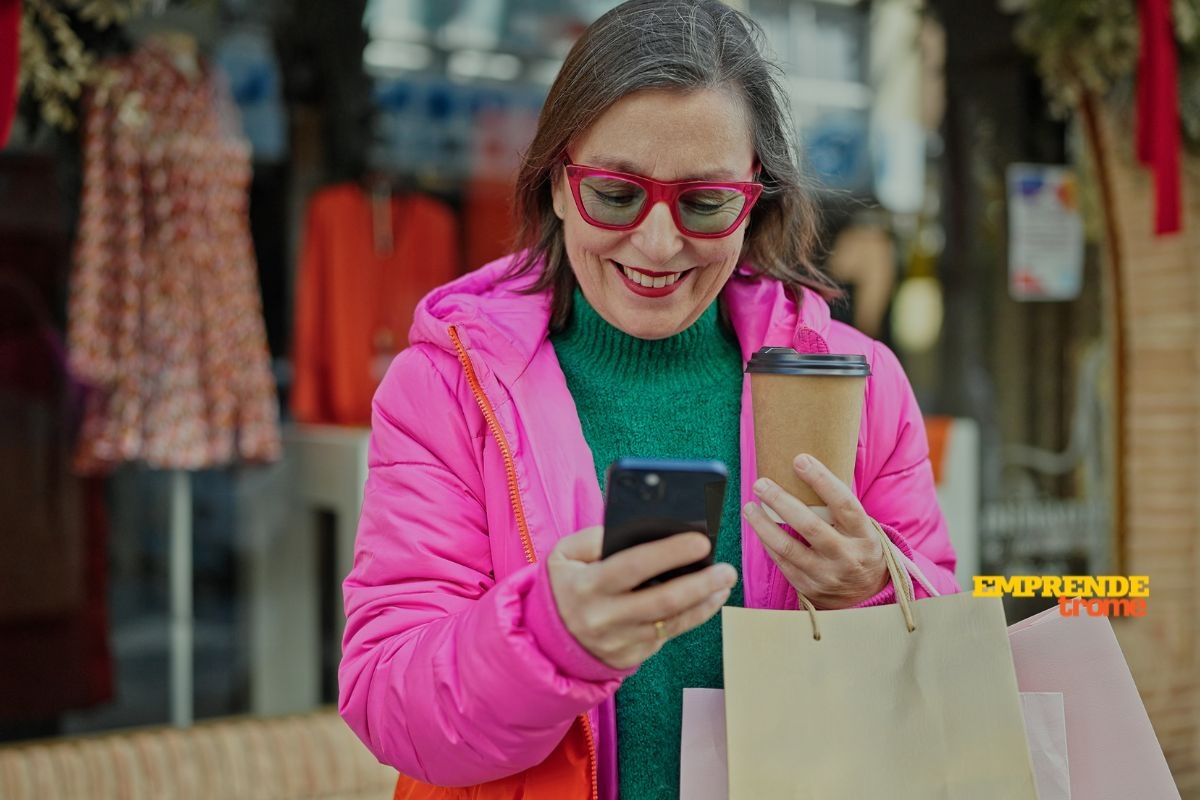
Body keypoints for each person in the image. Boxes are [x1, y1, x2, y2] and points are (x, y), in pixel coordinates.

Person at [338, 2, 960, 798]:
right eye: (616, 193)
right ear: (558, 185)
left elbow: (939, 647)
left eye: (703, 203)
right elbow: (389, 701)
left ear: (754, 201)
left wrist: (872, 591)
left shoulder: (855, 382)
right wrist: (547, 638)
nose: (658, 244)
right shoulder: (448, 388)